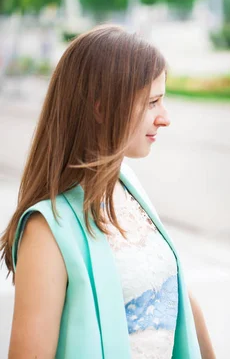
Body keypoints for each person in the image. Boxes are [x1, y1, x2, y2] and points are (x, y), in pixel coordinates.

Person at [0, 24, 216, 359]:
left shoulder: (129, 186)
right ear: (101, 108)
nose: (165, 118)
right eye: (153, 102)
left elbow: (173, 291)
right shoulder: (47, 228)